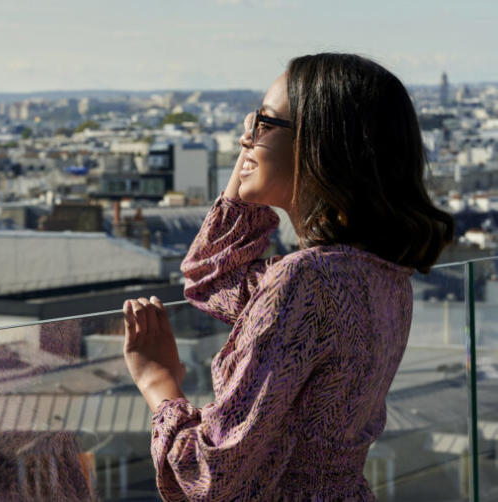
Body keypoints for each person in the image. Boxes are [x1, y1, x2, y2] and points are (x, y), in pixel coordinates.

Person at [122, 53, 454, 500]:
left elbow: (211, 472)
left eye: (263, 122)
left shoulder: (306, 280)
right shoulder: (378, 273)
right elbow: (212, 278)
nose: (246, 138)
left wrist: (159, 384)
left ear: (318, 145)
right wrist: (250, 156)